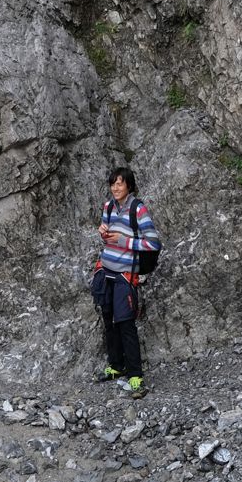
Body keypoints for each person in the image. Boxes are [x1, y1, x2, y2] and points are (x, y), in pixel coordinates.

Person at [90, 165, 161, 398]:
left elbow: (153, 243)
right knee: (109, 321)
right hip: (106, 270)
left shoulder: (138, 210)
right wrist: (104, 233)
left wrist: (125, 241)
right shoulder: (108, 206)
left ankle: (135, 377)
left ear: (128, 185)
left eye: (120, 183)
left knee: (125, 324)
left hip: (124, 275)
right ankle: (116, 366)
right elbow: (109, 238)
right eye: (113, 183)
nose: (116, 187)